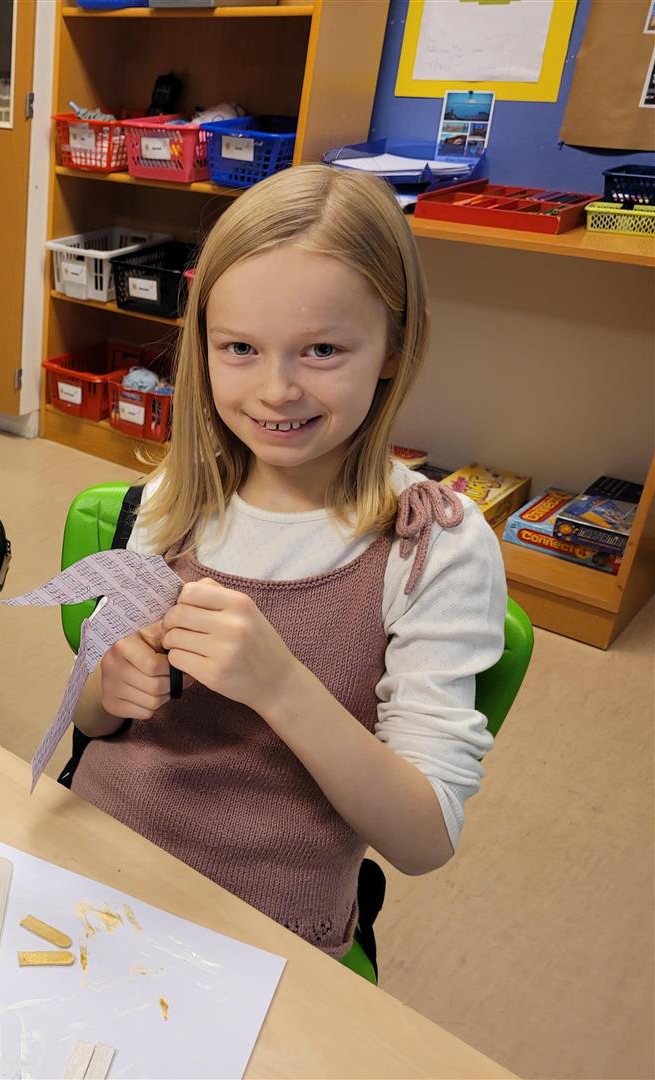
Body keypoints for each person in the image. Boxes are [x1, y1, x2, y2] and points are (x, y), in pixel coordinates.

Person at [67, 165, 506, 960]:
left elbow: (423, 839)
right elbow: (92, 721)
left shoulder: (431, 546)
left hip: (264, 928)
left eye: (322, 350)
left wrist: (279, 686)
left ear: (395, 346)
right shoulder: (175, 494)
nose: (276, 390)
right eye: (240, 348)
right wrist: (108, 685)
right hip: (94, 861)